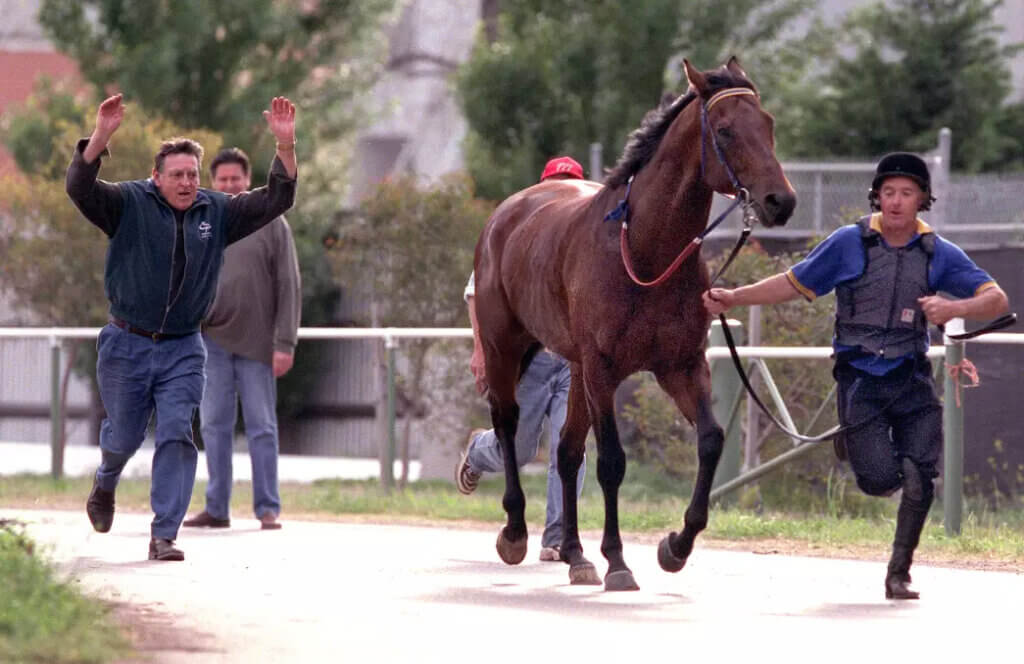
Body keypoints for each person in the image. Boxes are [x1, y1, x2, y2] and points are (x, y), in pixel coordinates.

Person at [703, 152, 1009, 599]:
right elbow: (793, 281)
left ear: (922, 198)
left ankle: (898, 573)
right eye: (888, 193)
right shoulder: (851, 242)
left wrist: (955, 308)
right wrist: (734, 297)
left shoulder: (937, 252)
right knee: (878, 480)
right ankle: (850, 439)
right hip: (860, 379)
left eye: (907, 193)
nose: (896, 201)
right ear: (877, 197)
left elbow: (996, 299)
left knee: (921, 474)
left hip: (911, 378)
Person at [67, 94, 298, 561]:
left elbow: (277, 198)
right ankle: (106, 480)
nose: (187, 182)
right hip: (126, 343)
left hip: (183, 349)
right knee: (125, 437)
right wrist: (101, 137)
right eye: (177, 174)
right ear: (157, 177)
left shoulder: (217, 211)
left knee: (176, 431)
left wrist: (286, 145)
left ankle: (164, 533)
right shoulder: (128, 203)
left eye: (193, 174)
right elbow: (79, 187)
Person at [455, 156, 587, 562]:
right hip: (530, 361)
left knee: (573, 443)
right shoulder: (523, 233)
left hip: (571, 362)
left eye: (571, 183)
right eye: (557, 183)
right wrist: (482, 350)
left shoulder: (584, 242)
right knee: (522, 448)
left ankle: (556, 537)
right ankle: (479, 450)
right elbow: (477, 292)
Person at [182, 148, 301, 532]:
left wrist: (285, 342)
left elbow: (289, 284)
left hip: (259, 343)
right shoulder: (199, 222)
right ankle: (216, 507)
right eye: (222, 180)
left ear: (247, 181)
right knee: (214, 425)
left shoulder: (271, 222)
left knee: (261, 426)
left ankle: (267, 507)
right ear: (212, 183)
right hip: (210, 341)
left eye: (236, 179)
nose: (229, 185)